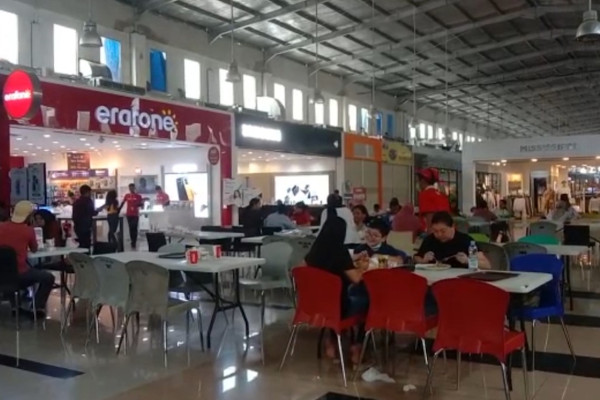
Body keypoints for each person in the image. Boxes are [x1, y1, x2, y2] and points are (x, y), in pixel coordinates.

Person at [305, 213, 366, 363]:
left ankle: (331, 341)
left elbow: (300, 270)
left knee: (333, 297)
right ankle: (357, 344)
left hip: (316, 305)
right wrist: (362, 268)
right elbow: (356, 279)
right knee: (367, 301)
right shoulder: (340, 252)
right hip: (339, 307)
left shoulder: (315, 250)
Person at [0, 201, 55, 318]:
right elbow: (34, 249)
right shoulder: (28, 231)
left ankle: (15, 305)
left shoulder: (1, 227)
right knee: (48, 277)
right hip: (20, 273)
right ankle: (37, 307)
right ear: (29, 216)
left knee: (9, 277)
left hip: (2, 274)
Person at [414, 211, 490, 270]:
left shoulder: (465, 240)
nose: (439, 234)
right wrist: (423, 261)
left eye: (443, 231)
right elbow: (416, 258)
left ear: (453, 226)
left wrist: (467, 261)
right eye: (435, 231)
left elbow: (487, 265)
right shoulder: (429, 240)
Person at [417, 168, 450, 232]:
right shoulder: (441, 195)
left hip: (435, 232)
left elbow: (430, 219)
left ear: (423, 181)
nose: (418, 183)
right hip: (445, 231)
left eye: (419, 180)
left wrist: (431, 237)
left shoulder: (425, 194)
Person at [72, 185, 99, 249]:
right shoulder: (88, 201)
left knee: (81, 244)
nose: (90, 194)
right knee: (86, 245)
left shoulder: (77, 202)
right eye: (90, 192)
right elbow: (92, 213)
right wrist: (98, 210)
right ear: (87, 192)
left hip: (77, 227)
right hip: (85, 227)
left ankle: (80, 254)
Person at [121, 183, 143, 249]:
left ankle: (134, 241)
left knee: (134, 227)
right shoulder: (127, 195)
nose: (131, 189)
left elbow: (141, 205)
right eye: (130, 188)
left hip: (135, 214)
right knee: (130, 228)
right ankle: (132, 241)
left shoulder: (138, 196)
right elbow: (123, 203)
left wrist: (137, 205)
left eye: (132, 188)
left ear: (134, 188)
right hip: (129, 214)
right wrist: (118, 210)